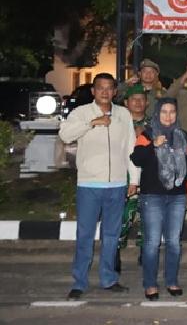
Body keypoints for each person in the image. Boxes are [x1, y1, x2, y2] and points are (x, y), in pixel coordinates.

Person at [59, 73, 138, 300]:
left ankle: (108, 279)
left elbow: (130, 148)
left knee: (111, 235)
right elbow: (65, 135)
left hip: (117, 184)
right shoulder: (81, 113)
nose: (105, 92)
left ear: (115, 91)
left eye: (109, 88)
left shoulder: (123, 114)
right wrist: (92, 123)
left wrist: (134, 179)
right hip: (89, 184)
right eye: (100, 88)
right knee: (85, 235)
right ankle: (79, 282)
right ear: (93, 91)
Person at [130, 98, 187, 301]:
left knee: (174, 242)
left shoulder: (184, 136)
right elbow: (136, 158)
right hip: (152, 196)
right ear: (157, 113)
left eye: (172, 112)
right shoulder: (147, 135)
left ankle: (171, 281)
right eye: (164, 112)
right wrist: (153, 145)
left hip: (178, 197)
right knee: (151, 243)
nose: (168, 116)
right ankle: (150, 284)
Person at [115, 84, 150, 274]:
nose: (138, 102)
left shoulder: (154, 124)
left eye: (141, 99)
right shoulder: (117, 123)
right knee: (122, 216)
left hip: (148, 176)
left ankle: (146, 252)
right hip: (123, 175)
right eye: (133, 99)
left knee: (148, 216)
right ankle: (114, 252)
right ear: (126, 103)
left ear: (147, 102)